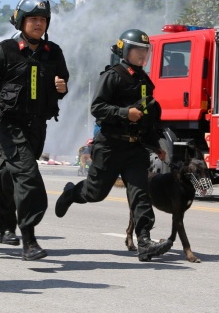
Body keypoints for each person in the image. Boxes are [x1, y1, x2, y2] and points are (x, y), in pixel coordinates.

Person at [54, 29, 173, 262]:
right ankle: (71, 193)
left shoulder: (145, 82)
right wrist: (124, 113)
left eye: (145, 51)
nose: (142, 55)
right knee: (95, 193)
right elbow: (97, 108)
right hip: (109, 145)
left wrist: (153, 144)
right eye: (138, 50)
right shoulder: (113, 75)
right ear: (125, 51)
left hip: (135, 148)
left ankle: (145, 241)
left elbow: (146, 118)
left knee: (140, 193)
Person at [0, 0, 69, 261]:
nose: (39, 24)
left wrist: (62, 88)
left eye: (43, 19)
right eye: (33, 19)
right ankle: (29, 239)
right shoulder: (6, 50)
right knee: (27, 177)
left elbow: (61, 83)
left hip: (37, 127)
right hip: (8, 125)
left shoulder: (53, 53)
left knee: (11, 178)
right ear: (22, 22)